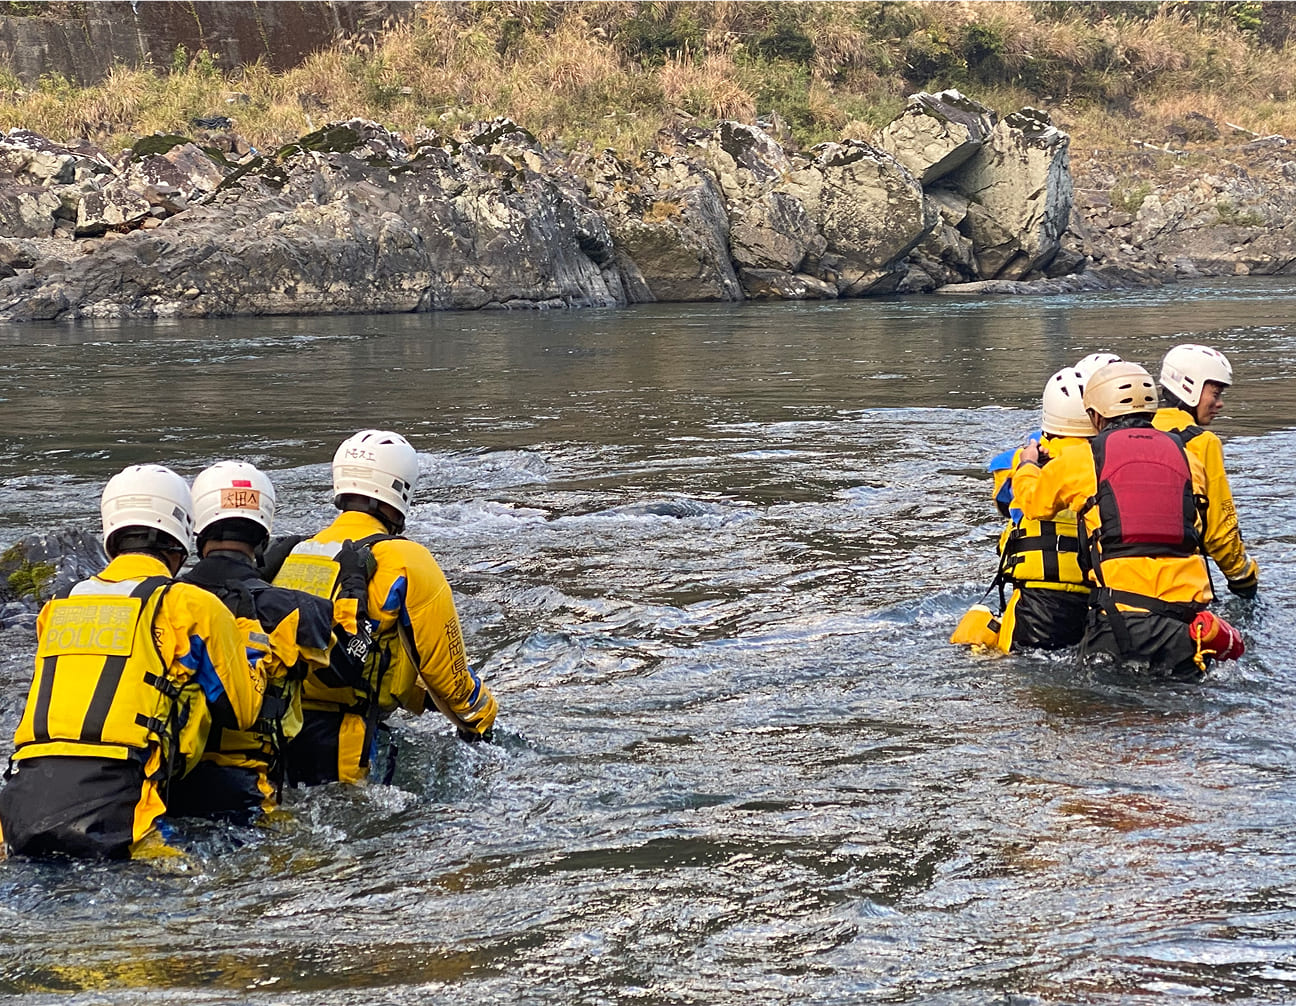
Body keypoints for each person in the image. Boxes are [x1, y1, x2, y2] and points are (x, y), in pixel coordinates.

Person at [0, 465, 262, 859]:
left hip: (19, 802)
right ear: (180, 539)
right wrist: (256, 653)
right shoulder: (191, 605)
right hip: (118, 809)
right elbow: (242, 711)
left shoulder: (57, 606)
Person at [266, 429, 498, 785]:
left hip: (276, 738)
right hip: (348, 748)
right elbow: (448, 678)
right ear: (400, 488)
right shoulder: (406, 559)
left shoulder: (295, 553)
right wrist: (483, 716)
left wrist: (420, 697)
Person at [1013, 362, 1239, 678]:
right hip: (1191, 625)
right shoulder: (1192, 457)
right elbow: (1208, 529)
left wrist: (1027, 465)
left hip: (1121, 621)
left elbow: (1032, 503)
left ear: (1095, 416)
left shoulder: (1085, 458)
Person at [166, 461, 335, 823]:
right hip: (249, 793)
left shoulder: (160, 603)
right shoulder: (299, 610)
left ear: (197, 533)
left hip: (162, 789)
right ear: (263, 538)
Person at [984, 367, 1095, 652]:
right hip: (1100, 603)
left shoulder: (1023, 458)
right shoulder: (1111, 457)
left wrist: (1028, 462)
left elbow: (1004, 503)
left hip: (1035, 604)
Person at [1152, 343, 1259, 599]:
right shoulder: (1203, 442)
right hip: (1181, 582)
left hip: (1120, 581)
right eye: (1215, 393)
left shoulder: (1127, 434)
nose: (1219, 403)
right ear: (1191, 388)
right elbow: (1219, 530)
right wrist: (1242, 577)